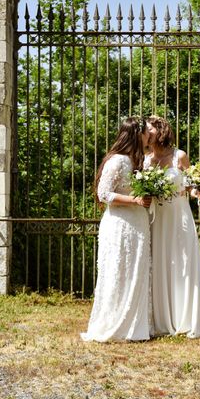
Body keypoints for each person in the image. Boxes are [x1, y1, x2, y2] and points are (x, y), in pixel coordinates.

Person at [145, 115, 200, 338]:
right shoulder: (146, 159)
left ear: (160, 131)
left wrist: (199, 190)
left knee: (182, 264)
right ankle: (162, 320)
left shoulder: (178, 156)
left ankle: (186, 318)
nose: (146, 134)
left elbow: (191, 187)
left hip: (179, 216)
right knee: (160, 262)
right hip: (157, 217)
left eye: (149, 130)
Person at [81, 116, 153, 342]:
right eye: (145, 133)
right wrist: (136, 201)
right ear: (136, 134)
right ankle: (115, 323)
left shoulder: (137, 161)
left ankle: (135, 323)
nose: (149, 136)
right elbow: (104, 194)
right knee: (118, 271)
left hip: (138, 223)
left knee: (135, 270)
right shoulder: (118, 161)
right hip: (120, 223)